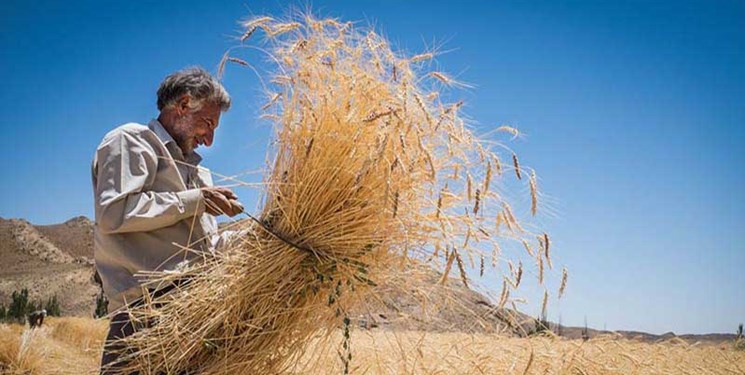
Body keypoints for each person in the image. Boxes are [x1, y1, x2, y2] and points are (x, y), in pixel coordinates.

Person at [92, 67, 243, 373]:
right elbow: (114, 213)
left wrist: (260, 231)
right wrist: (196, 200)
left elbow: (207, 251)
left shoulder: (198, 173)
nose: (210, 140)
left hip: (195, 315)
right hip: (144, 317)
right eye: (207, 124)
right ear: (183, 105)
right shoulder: (132, 141)